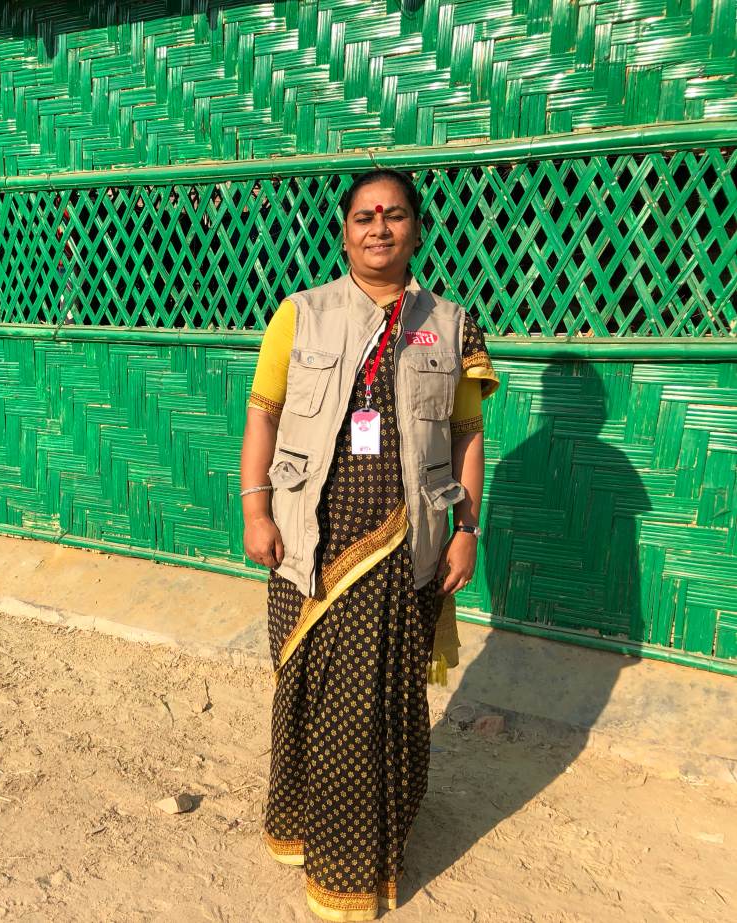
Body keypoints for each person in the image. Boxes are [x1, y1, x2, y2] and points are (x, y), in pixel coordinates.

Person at [238, 169, 500, 921]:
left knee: (378, 705)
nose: (378, 227)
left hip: (404, 543)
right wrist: (257, 512)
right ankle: (297, 827)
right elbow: (263, 417)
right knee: (306, 692)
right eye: (363, 216)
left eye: (393, 215)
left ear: (417, 228)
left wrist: (466, 530)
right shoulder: (300, 315)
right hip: (308, 541)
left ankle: (356, 858)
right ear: (344, 231)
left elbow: (466, 435)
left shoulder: (449, 325)